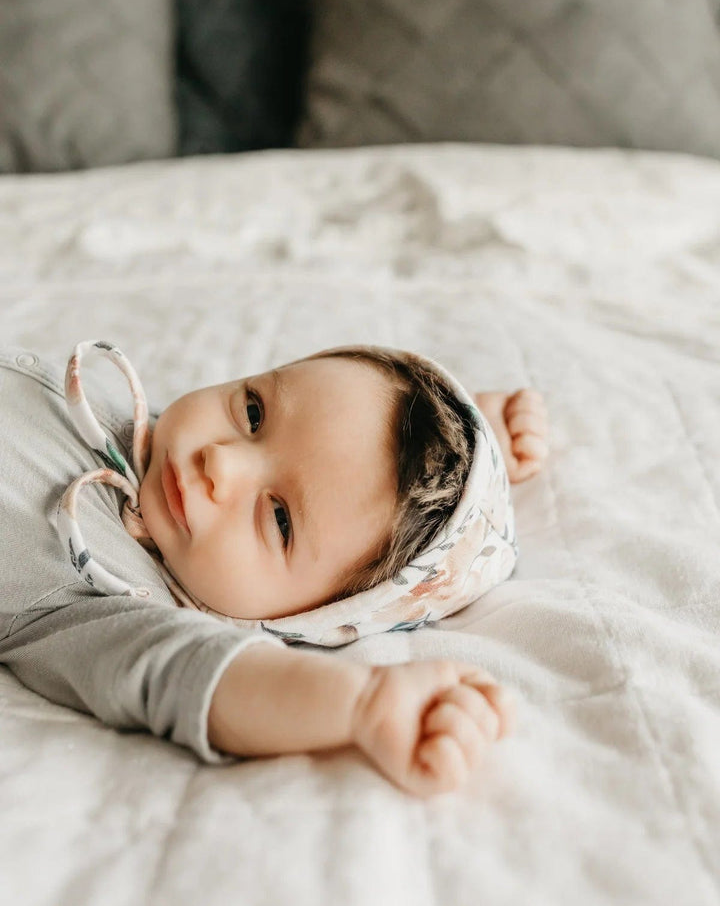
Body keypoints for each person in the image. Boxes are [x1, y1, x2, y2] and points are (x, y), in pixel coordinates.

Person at [0, 340, 548, 797]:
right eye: (254, 412)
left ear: (307, 620)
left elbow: (199, 676)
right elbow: (339, 440)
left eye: (280, 519)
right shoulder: (151, 441)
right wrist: (479, 436)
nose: (220, 462)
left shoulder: (111, 593)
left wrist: (361, 702)